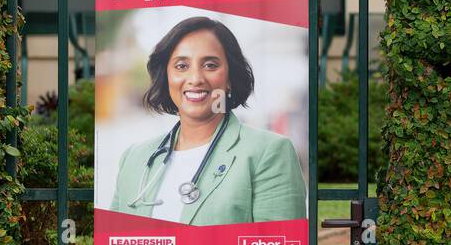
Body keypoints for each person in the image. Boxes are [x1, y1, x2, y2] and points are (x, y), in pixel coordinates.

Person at [110, 17, 307, 226]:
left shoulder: (270, 152)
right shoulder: (133, 158)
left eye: (210, 65)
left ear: (230, 78)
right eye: (181, 65)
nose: (195, 78)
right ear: (166, 76)